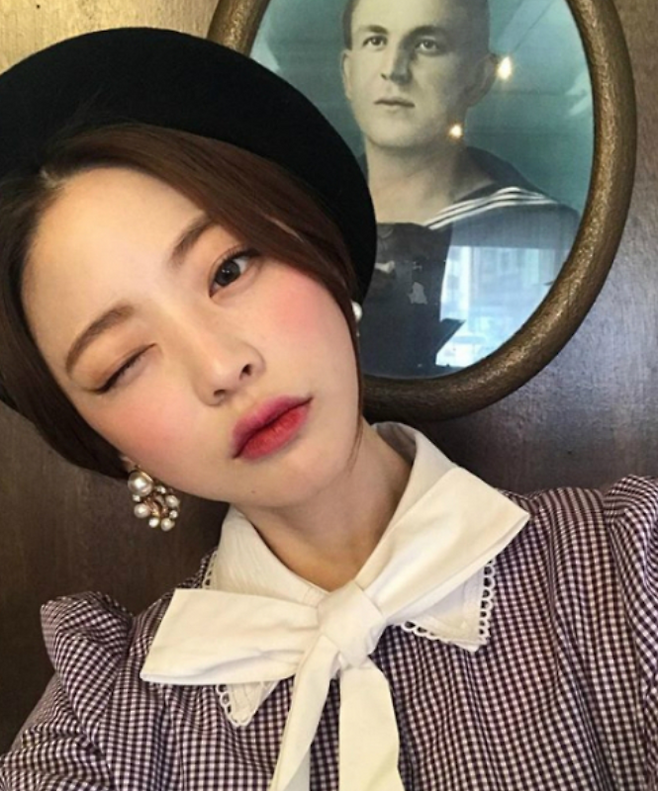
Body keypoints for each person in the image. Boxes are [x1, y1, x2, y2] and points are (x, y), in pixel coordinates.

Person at [0, 27, 655, 791]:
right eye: (123, 362)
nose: (221, 367)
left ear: (321, 250)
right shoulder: (100, 728)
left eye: (229, 268)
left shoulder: (629, 569)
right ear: (101, 437)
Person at [340, 0, 581, 376]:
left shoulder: (545, 233)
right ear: (348, 73)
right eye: (375, 40)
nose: (394, 69)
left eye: (427, 45)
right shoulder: (308, 217)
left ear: (479, 78)